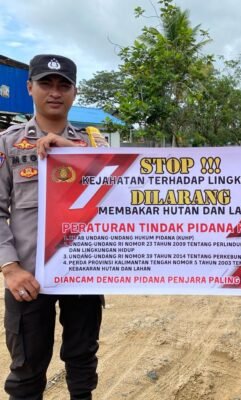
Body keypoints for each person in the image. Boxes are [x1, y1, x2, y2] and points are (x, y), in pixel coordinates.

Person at [0, 54, 104, 400]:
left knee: (82, 361)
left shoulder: (94, 144)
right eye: (46, 83)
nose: (55, 92)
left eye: (64, 85)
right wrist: (10, 268)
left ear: (75, 92)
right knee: (26, 370)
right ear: (30, 87)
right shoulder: (8, 143)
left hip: (83, 271)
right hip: (28, 278)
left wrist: (74, 152)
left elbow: (119, 194)